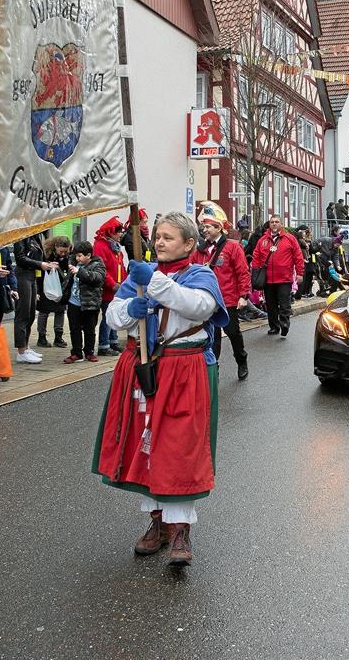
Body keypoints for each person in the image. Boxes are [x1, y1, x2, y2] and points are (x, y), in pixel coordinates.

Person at [92, 211, 228, 566]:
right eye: (158, 236)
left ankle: (180, 528)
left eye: (169, 237)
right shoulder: (142, 275)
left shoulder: (200, 274)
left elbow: (200, 307)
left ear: (189, 243)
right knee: (147, 444)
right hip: (145, 369)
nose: (160, 242)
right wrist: (131, 308)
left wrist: (154, 284)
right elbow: (112, 316)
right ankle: (158, 524)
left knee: (179, 447)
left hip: (185, 370)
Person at [191, 201, 251, 380]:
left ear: (218, 228)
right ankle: (213, 368)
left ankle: (241, 360)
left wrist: (243, 295)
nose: (205, 230)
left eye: (208, 226)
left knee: (233, 333)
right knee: (212, 337)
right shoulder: (200, 251)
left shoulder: (232, 247)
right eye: (204, 226)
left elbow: (242, 271)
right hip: (208, 300)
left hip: (228, 299)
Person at [251, 215, 305, 337]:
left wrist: (300, 273)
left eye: (277, 222)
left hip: (284, 278)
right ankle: (274, 327)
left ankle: (284, 324)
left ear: (281, 224)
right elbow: (256, 257)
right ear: (269, 224)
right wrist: (255, 273)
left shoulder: (290, 239)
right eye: (272, 222)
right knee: (271, 305)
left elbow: (298, 257)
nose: (274, 224)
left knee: (284, 303)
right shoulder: (263, 240)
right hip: (268, 279)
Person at [13, 231, 54, 363]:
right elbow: (20, 258)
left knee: (31, 314)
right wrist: (40, 264)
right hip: (23, 276)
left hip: (31, 276)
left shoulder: (35, 236)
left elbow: (38, 257)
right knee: (23, 314)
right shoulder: (21, 235)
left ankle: (26, 347)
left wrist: (46, 264)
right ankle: (21, 351)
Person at [62, 240, 106, 363]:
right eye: (76, 255)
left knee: (90, 330)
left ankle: (89, 352)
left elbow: (97, 278)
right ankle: (76, 353)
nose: (77, 258)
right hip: (73, 302)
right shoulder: (73, 262)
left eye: (80, 256)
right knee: (74, 329)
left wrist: (79, 272)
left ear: (88, 255)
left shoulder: (98, 264)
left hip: (90, 303)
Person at [93, 216, 129, 357]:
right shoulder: (100, 246)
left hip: (117, 287)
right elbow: (102, 269)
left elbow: (121, 266)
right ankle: (103, 345)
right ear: (110, 232)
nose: (120, 234)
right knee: (108, 316)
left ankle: (113, 341)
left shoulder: (115, 246)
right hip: (107, 288)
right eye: (118, 232)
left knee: (114, 313)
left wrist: (125, 282)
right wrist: (113, 284)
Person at [36, 235, 71, 350]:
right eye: (61, 251)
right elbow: (38, 270)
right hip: (46, 286)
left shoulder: (69, 255)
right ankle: (41, 337)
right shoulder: (45, 254)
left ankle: (58, 337)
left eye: (65, 251)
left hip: (61, 287)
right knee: (44, 312)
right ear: (55, 247)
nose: (63, 254)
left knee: (60, 311)